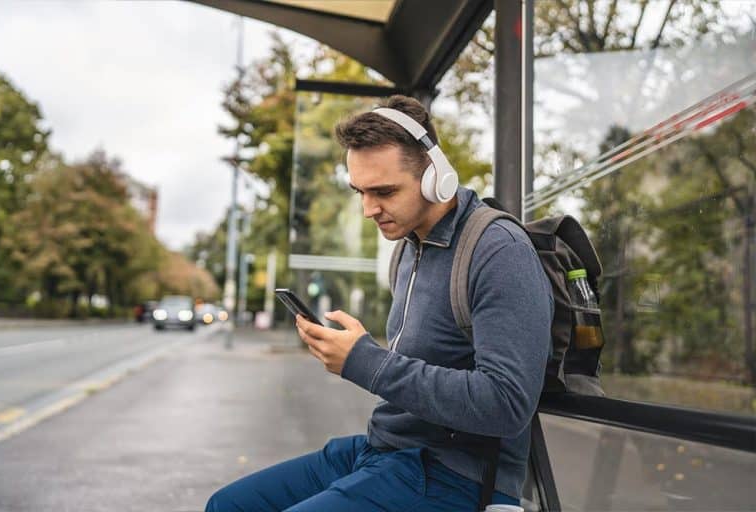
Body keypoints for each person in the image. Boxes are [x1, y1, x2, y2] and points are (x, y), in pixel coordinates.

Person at [205, 95, 553, 512]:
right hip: (385, 450)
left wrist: (364, 360)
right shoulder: (407, 248)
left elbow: (506, 404)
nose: (369, 209)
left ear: (436, 177)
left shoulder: (498, 251)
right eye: (360, 192)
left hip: (456, 477)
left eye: (384, 191)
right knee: (228, 506)